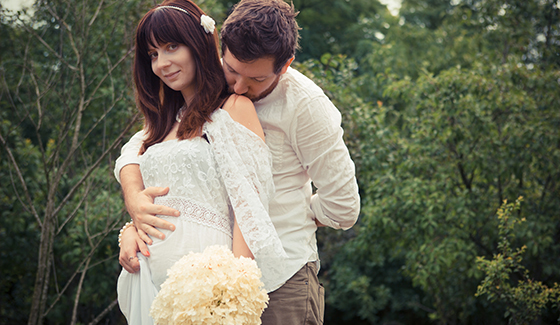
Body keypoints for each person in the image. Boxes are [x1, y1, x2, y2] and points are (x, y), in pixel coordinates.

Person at [116, 0, 360, 323]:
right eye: (231, 70)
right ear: (221, 49)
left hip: (281, 278)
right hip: (185, 284)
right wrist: (135, 209)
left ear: (284, 65)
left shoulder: (306, 106)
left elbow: (343, 206)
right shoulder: (198, 97)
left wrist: (294, 214)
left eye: (256, 79)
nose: (240, 87)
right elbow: (138, 149)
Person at [115, 1, 286, 324]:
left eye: (171, 47)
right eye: (152, 54)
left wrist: (233, 293)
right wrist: (131, 224)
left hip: (208, 286)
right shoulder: (159, 126)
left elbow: (248, 209)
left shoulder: (233, 110)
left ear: (199, 43)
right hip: (149, 278)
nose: (162, 63)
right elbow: (127, 161)